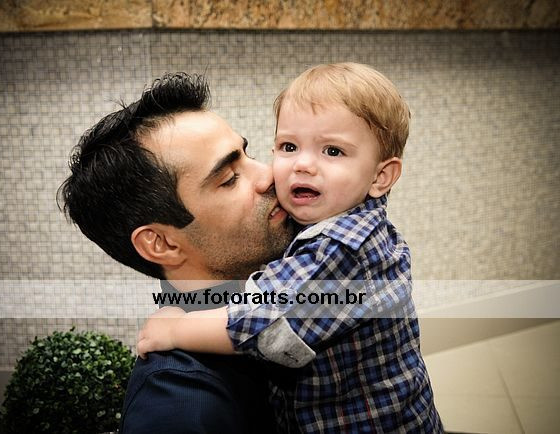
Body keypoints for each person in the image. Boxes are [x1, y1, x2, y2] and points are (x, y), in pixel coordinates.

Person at [137, 63, 444, 432]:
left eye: (333, 151)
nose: (302, 165)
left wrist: (175, 330)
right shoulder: (176, 398)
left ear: (381, 176)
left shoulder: (341, 247)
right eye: (288, 146)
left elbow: (261, 320)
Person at [58, 72, 294, 433]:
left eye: (248, 155)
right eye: (229, 179)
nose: (270, 175)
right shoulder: (181, 404)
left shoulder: (289, 299)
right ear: (163, 243)